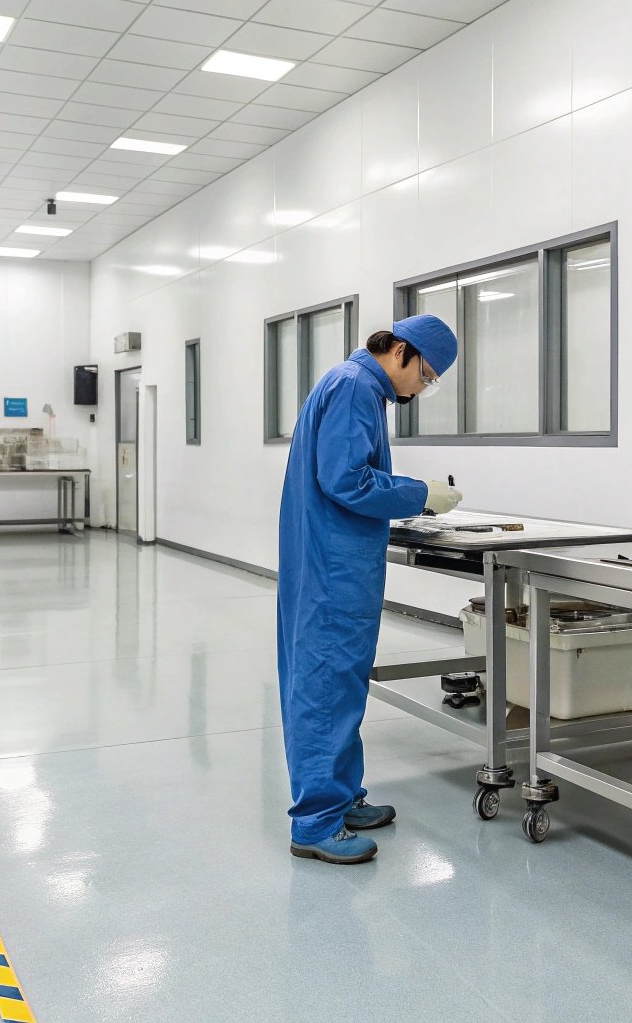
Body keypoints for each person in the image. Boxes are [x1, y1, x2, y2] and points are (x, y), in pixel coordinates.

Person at [277, 314, 463, 865]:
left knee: (341, 685)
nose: (421, 389)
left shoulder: (360, 387)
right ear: (401, 351)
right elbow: (346, 480)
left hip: (335, 561)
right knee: (326, 686)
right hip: (332, 569)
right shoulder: (355, 387)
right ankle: (316, 822)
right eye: (425, 376)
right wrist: (418, 494)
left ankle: (340, 798)